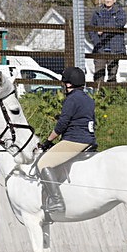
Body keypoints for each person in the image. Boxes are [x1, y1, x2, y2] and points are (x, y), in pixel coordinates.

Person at [37, 67, 96, 214]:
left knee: (43, 163)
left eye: (64, 84)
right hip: (89, 138)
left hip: (74, 140)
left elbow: (62, 124)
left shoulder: (71, 99)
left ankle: (57, 202)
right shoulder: (88, 99)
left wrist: (48, 141)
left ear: (68, 84)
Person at [89, 0, 126, 83]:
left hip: (115, 49)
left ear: (114, 0)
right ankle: (98, 92)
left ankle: (111, 92)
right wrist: (95, 41)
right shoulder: (97, 12)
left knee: (112, 75)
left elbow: (120, 23)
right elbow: (91, 28)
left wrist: (104, 29)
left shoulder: (120, 12)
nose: (108, 1)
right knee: (98, 75)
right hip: (100, 48)